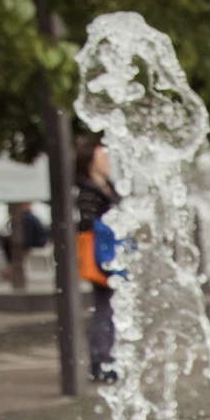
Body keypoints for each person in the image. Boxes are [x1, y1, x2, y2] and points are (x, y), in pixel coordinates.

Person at [74, 136, 121, 383]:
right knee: (104, 308)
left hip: (112, 253)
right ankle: (101, 359)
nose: (107, 161)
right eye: (103, 157)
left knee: (111, 308)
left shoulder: (108, 187)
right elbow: (88, 226)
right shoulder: (87, 191)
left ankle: (108, 356)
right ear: (90, 161)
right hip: (101, 256)